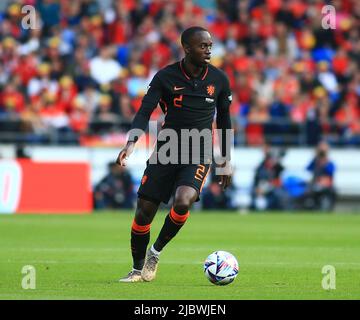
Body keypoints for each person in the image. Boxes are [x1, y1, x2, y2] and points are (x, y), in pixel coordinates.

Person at [115, 26, 233, 282]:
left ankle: (155, 253)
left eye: (210, 46)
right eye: (203, 46)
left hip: (199, 149)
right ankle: (137, 269)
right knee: (143, 212)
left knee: (183, 200)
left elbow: (225, 119)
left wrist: (225, 160)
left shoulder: (219, 79)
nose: (208, 50)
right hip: (167, 149)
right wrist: (131, 142)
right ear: (187, 48)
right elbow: (145, 111)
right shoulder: (165, 77)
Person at [304, 141, 336, 211]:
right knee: (307, 192)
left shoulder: (329, 162)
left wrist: (325, 162)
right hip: (315, 184)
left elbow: (331, 171)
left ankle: (329, 208)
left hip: (327, 186)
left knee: (332, 192)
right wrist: (315, 157)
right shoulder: (315, 161)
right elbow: (307, 169)